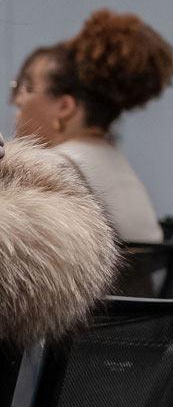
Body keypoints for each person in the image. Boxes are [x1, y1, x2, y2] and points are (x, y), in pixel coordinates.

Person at [8, 9, 173, 242]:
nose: (17, 99)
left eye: (27, 88)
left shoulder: (44, 169)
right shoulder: (120, 167)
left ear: (65, 107)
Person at [0, 132, 118, 344]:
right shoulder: (59, 221)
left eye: (29, 95)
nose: (17, 103)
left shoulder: (64, 160)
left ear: (65, 106)